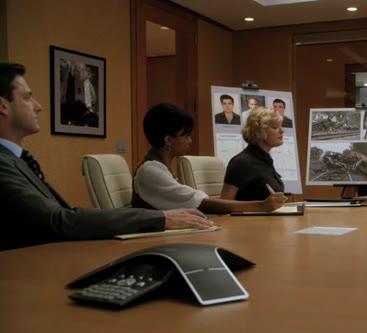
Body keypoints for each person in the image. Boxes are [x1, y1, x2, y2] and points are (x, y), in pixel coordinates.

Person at [0, 63, 213, 251]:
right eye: (27, 97)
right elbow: (58, 221)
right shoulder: (3, 163)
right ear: (3, 106)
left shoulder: (18, 159)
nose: (38, 106)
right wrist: (161, 218)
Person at [132, 103, 287, 213]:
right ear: (168, 140)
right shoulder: (150, 171)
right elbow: (202, 204)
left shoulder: (160, 168)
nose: (190, 140)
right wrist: (261, 206)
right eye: (186, 135)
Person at [221, 107, 285, 201]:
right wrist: (260, 206)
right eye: (275, 127)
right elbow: (225, 203)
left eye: (281, 126)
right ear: (259, 131)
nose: (282, 131)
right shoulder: (241, 162)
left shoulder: (265, 159)